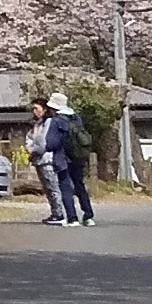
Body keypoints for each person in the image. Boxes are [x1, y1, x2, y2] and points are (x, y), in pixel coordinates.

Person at [48, 91, 96, 225]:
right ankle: (88, 216)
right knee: (79, 185)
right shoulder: (76, 118)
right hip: (78, 157)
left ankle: (72, 218)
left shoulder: (56, 121)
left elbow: (51, 143)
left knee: (66, 187)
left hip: (62, 158)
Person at [27, 96, 69, 221]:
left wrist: (35, 150)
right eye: (33, 109)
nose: (34, 111)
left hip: (47, 159)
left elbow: (43, 142)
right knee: (47, 188)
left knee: (52, 187)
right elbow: (30, 138)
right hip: (38, 160)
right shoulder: (36, 124)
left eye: (37, 108)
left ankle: (59, 213)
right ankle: (55, 212)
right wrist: (30, 149)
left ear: (44, 109)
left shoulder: (49, 122)